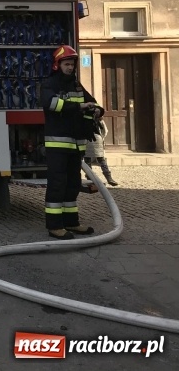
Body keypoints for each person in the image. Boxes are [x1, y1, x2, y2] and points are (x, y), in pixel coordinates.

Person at [40, 46, 103, 240]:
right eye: (66, 64)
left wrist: (97, 110)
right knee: (58, 184)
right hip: (58, 145)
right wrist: (79, 106)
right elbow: (51, 104)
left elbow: (92, 102)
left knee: (72, 184)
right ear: (57, 65)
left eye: (72, 64)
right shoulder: (50, 84)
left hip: (76, 145)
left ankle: (71, 222)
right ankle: (54, 226)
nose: (70, 67)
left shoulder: (76, 86)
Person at [84, 118, 119, 187]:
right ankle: (109, 178)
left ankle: (90, 179)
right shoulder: (99, 119)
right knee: (101, 160)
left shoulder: (84, 119)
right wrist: (101, 137)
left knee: (87, 161)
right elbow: (105, 131)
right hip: (98, 139)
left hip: (87, 140)